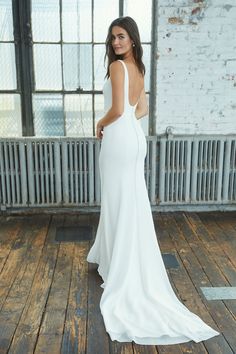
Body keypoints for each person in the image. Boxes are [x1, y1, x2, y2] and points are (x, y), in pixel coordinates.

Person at [86, 16, 220, 345]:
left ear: (132, 39)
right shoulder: (139, 69)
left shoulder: (118, 68)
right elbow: (139, 108)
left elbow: (118, 108)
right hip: (134, 139)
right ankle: (113, 256)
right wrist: (126, 118)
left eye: (121, 37)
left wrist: (100, 122)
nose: (115, 43)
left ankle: (118, 264)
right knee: (129, 200)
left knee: (119, 200)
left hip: (118, 139)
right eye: (112, 38)